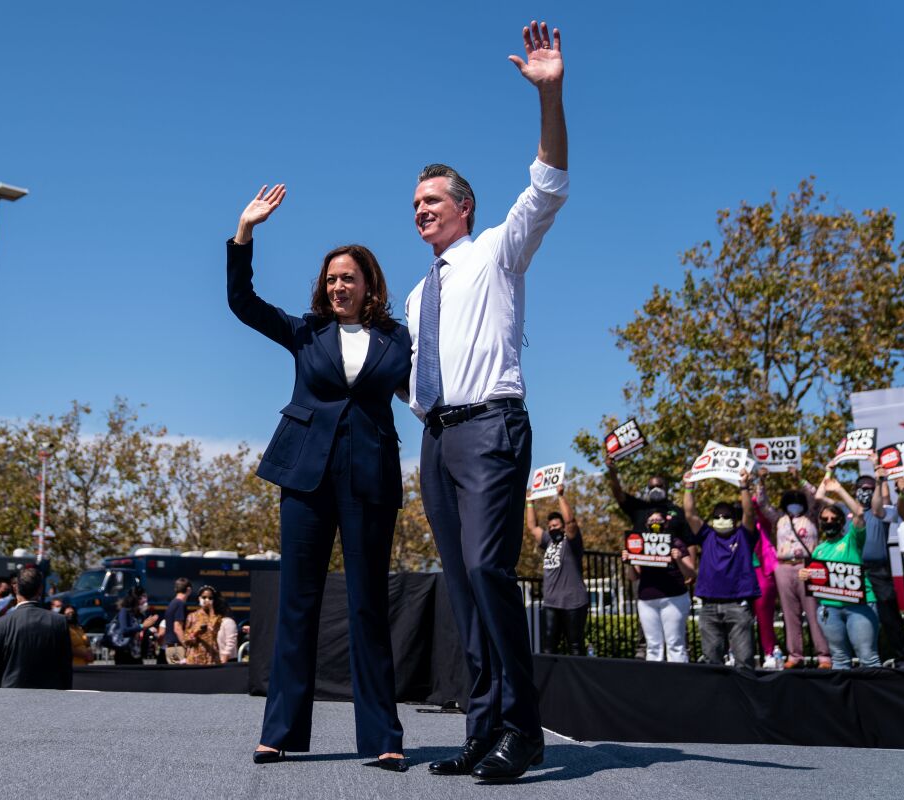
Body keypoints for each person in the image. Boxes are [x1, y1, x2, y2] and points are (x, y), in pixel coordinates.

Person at [409, 20, 567, 783]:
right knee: (463, 585)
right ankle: (481, 728)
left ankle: (523, 728)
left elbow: (549, 183)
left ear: (465, 207)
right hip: (435, 441)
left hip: (490, 428)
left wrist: (551, 93)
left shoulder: (499, 253)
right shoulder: (416, 293)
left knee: (488, 570)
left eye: (432, 199)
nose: (420, 210)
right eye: (414, 202)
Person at [228, 182, 411, 770]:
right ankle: (278, 731)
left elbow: (429, 384)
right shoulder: (305, 331)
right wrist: (245, 233)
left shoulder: (396, 339)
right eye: (331, 278)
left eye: (348, 278)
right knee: (298, 605)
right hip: (304, 478)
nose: (338, 285)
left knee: (367, 609)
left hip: (369, 481)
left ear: (369, 285)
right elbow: (242, 301)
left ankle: (383, 736)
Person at [754, 467, 832, 668]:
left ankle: (824, 655)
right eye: (790, 502)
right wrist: (761, 480)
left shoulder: (813, 515)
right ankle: (795, 655)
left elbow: (817, 496)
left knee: (814, 611)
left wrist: (800, 478)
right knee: (790, 614)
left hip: (808, 566)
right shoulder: (779, 518)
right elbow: (761, 503)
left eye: (797, 502)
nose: (794, 505)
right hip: (784, 568)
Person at [799, 480, 879, 669]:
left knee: (868, 657)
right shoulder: (818, 551)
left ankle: (875, 698)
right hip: (830, 611)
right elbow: (818, 583)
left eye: (833, 519)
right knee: (839, 659)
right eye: (825, 520)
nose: (829, 523)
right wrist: (806, 575)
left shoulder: (852, 540)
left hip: (859, 607)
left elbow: (859, 513)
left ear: (842, 522)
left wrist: (839, 489)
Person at [683, 472, 760, 668]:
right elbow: (690, 514)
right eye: (717, 516)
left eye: (726, 516)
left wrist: (744, 487)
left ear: (734, 520)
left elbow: (749, 514)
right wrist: (689, 487)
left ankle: (745, 695)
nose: (721, 519)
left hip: (738, 605)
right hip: (709, 607)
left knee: (743, 660)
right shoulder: (707, 535)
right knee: (711, 661)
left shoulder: (743, 535)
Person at [622, 511, 697, 662]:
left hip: (674, 598)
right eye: (651, 520)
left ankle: (680, 680)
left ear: (666, 523)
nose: (655, 522)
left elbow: (691, 574)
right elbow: (633, 577)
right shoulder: (640, 544)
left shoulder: (676, 542)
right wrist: (629, 562)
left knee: (675, 644)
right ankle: (655, 681)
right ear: (646, 525)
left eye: (658, 519)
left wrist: (679, 560)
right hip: (647, 600)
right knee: (653, 646)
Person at [0, 566, 72, 690]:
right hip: (49, 700)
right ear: (40, 590)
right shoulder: (59, 622)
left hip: (10, 699)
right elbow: (65, 669)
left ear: (15, 588)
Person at [525, 484, 588, 655]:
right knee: (548, 648)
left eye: (556, 525)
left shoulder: (572, 542)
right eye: (550, 526)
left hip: (574, 602)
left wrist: (560, 496)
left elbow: (571, 522)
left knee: (575, 646)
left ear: (563, 527)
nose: (553, 528)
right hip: (551, 603)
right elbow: (532, 527)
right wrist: (530, 501)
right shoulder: (548, 542)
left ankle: (578, 682)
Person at [854, 469, 904, 664]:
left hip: (879, 569)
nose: (865, 492)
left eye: (870, 488)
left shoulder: (885, 511)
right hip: (857, 572)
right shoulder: (850, 511)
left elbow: (880, 505)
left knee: (890, 615)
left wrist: (881, 481)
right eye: (862, 488)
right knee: (860, 617)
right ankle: (870, 660)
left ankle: (901, 656)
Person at [752, 514, 782, 669]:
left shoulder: (760, 524)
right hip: (740, 574)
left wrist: (754, 495)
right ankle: (735, 651)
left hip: (761, 572)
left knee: (764, 617)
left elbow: (764, 514)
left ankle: (770, 653)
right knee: (738, 617)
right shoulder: (732, 527)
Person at [109, 588, 159, 666]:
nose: (146, 600)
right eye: (143, 597)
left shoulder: (141, 615)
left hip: (137, 654)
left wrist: (149, 630)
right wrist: (143, 626)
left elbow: (140, 631)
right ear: (136, 599)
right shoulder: (124, 612)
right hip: (124, 654)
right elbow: (124, 630)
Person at [184, 585, 225, 665]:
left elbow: (212, 629)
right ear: (199, 598)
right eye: (204, 597)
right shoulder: (192, 616)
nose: (207, 600)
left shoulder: (217, 617)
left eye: (210, 598)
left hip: (211, 657)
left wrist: (211, 609)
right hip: (196, 658)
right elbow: (186, 639)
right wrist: (196, 633)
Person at [163, 578, 192, 665]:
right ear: (188, 590)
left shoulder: (172, 603)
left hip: (170, 647)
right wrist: (186, 646)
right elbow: (177, 627)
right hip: (177, 648)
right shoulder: (180, 604)